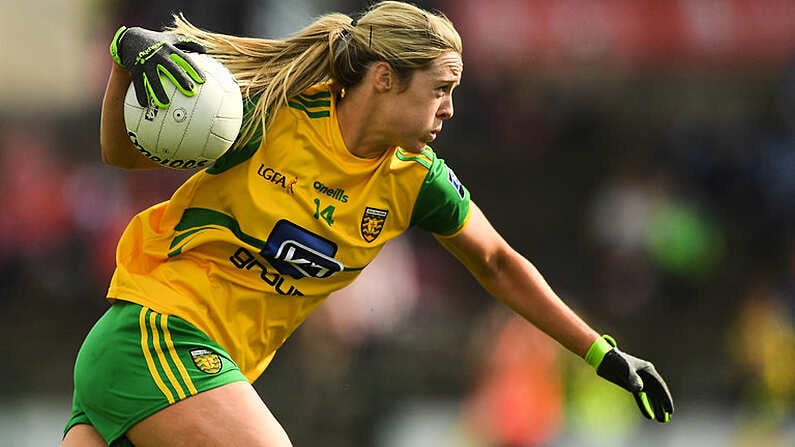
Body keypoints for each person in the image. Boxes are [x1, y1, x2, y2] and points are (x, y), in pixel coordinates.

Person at [62, 2, 674, 446]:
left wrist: (600, 353)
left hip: (173, 364)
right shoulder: (269, 116)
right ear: (384, 78)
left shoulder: (415, 180)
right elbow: (122, 154)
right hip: (156, 336)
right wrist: (124, 67)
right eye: (439, 89)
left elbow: (496, 262)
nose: (451, 108)